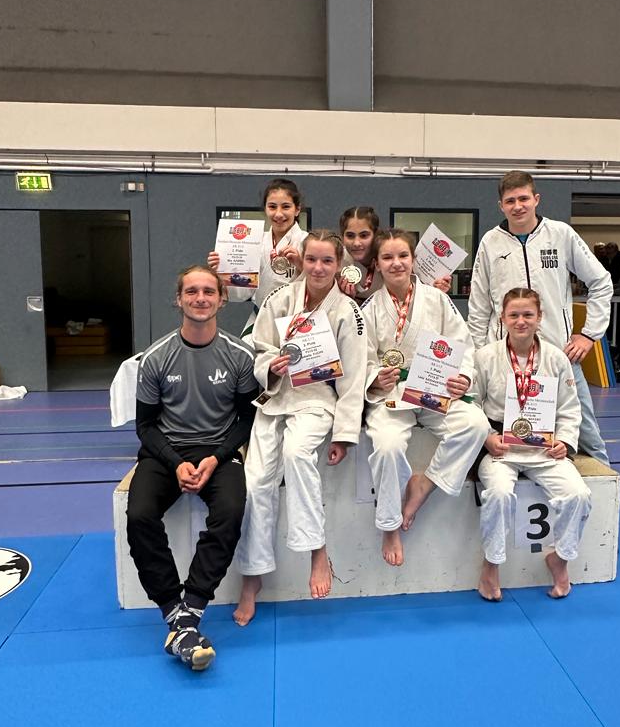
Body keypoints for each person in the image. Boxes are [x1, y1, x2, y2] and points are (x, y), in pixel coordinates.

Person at [126, 265, 257, 671]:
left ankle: (193, 607)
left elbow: (247, 420)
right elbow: (145, 426)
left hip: (219, 451)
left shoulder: (240, 355)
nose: (200, 298)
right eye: (192, 291)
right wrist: (177, 463)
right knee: (139, 515)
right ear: (178, 299)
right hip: (166, 452)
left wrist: (216, 457)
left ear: (221, 299)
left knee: (231, 511)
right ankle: (173, 610)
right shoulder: (156, 357)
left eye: (208, 291)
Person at [233, 229, 367, 622]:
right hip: (276, 398)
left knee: (296, 454)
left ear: (339, 265)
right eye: (312, 259)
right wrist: (269, 367)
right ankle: (253, 575)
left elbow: (354, 376)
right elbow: (259, 349)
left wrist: (345, 435)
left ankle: (317, 550)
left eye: (327, 261)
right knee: (255, 481)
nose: (319, 268)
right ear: (301, 261)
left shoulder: (348, 311)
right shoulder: (278, 298)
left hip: (317, 400)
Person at [467, 170, 613, 466]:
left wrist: (589, 334)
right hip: (507, 362)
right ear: (501, 205)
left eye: (523, 198)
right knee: (509, 443)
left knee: (587, 436)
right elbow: (479, 305)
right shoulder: (490, 243)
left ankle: (606, 491)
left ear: (536, 199)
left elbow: (601, 281)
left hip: (560, 356)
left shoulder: (560, 234)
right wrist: (480, 355)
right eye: (510, 201)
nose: (518, 206)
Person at [362, 229, 489, 566]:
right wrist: (374, 377)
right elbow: (361, 357)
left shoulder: (437, 300)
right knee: (387, 446)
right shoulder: (369, 309)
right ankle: (389, 524)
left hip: (433, 387)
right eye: (387, 257)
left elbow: (463, 345)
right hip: (391, 393)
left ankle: (424, 486)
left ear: (414, 259)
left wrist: (463, 376)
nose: (396, 263)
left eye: (403, 256)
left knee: (475, 425)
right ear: (377, 264)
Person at [475, 287, 591, 601]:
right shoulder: (485, 357)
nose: (521, 321)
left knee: (578, 494)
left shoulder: (556, 358)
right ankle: (491, 565)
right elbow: (471, 403)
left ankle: (560, 558)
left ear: (540, 317)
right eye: (514, 314)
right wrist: (486, 437)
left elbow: (570, 408)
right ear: (502, 318)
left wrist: (564, 441)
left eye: (528, 314)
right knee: (499, 494)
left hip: (544, 446)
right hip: (502, 447)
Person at [208, 178, 308, 342]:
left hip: (297, 322)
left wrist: (302, 265)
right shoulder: (255, 241)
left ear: (297, 209)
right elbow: (242, 292)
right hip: (262, 317)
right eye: (272, 207)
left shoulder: (308, 242)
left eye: (286, 207)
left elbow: (323, 284)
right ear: (265, 209)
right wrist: (222, 270)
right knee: (246, 355)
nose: (278, 214)